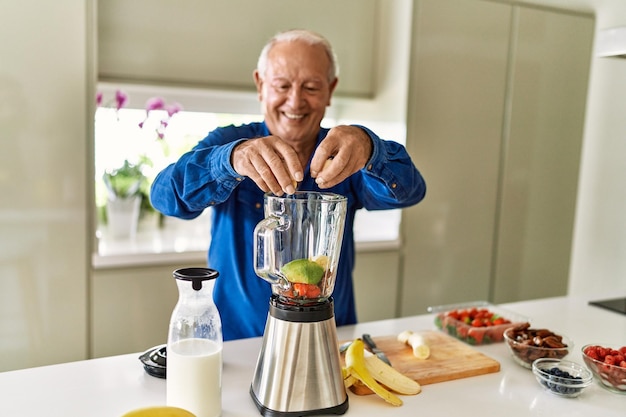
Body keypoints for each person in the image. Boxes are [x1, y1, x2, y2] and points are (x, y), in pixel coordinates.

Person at [150, 29, 426, 341]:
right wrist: (229, 161)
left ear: (330, 89)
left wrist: (372, 148)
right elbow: (163, 197)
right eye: (282, 85)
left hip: (330, 338)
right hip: (238, 342)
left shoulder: (347, 151)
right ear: (260, 85)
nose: (295, 101)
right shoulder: (229, 143)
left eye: (310, 87)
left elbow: (411, 190)